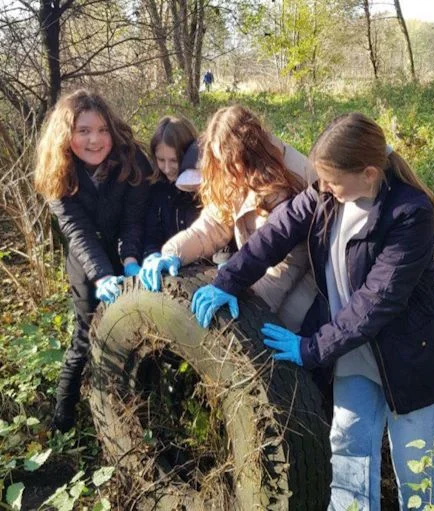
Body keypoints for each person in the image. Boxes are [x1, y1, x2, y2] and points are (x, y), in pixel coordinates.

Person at [190, 112, 434, 510]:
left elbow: (376, 300)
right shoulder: (326, 194)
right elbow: (276, 234)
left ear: (368, 174)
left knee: (418, 472)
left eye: (332, 180)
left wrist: (311, 348)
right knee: (349, 454)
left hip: (409, 359)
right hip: (352, 356)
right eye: (323, 180)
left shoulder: (409, 213)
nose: (324, 188)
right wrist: (228, 279)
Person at [139, 105, 318, 334]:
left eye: (230, 162)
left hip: (309, 278)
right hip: (256, 264)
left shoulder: (291, 178)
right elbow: (212, 225)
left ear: (251, 152)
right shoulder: (230, 170)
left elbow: (291, 260)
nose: (225, 169)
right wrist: (173, 252)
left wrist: (251, 301)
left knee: (278, 337)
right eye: (219, 160)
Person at [33, 89, 152, 432]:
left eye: (101, 130)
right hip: (86, 264)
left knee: (140, 331)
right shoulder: (58, 172)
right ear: (67, 136)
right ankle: (63, 419)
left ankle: (137, 402)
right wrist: (101, 276)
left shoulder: (132, 159)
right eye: (83, 131)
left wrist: (130, 260)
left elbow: (134, 218)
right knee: (85, 338)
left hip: (127, 254)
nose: (95, 140)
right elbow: (78, 231)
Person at [143, 116, 201, 258]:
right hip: (169, 265)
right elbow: (151, 234)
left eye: (174, 160)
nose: (167, 169)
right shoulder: (155, 188)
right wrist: (152, 255)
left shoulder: (204, 187)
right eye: (161, 160)